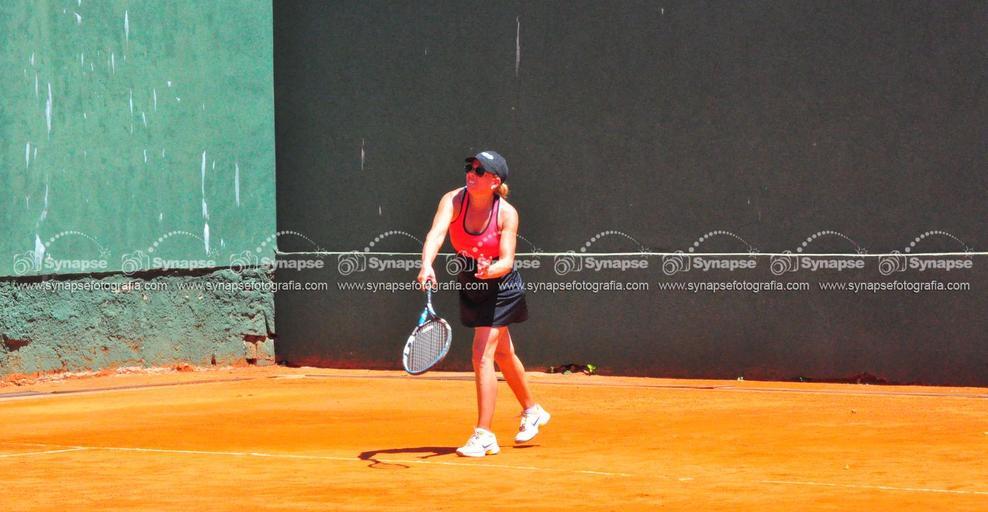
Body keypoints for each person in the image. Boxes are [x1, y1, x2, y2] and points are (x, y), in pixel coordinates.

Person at [417, 150, 550, 457]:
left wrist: (492, 270)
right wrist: (427, 264)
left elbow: (507, 260)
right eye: (470, 167)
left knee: (481, 355)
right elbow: (437, 233)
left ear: (494, 181)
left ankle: (484, 434)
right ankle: (533, 410)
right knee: (503, 353)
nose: (471, 173)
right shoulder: (453, 200)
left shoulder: (507, 213)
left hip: (501, 285)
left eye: (479, 170)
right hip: (471, 279)